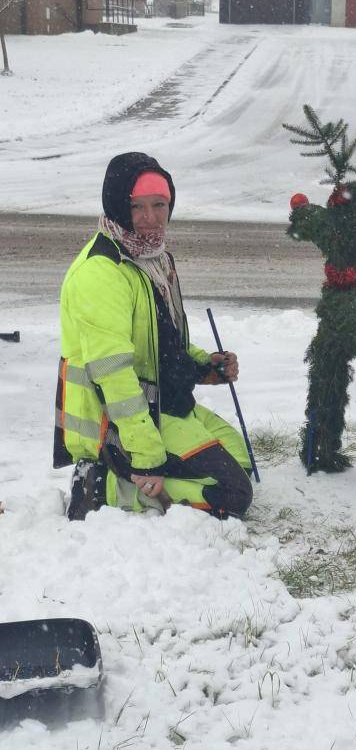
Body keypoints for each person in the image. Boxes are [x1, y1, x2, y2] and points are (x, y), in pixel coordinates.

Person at [53, 151, 253, 521]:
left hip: (164, 404)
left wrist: (203, 365)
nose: (150, 219)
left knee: (241, 461)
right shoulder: (103, 272)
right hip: (115, 423)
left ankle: (137, 474)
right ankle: (102, 484)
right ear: (117, 206)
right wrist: (146, 456)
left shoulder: (153, 259)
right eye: (138, 207)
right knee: (232, 494)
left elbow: (163, 341)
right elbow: (112, 375)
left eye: (159, 205)